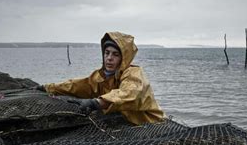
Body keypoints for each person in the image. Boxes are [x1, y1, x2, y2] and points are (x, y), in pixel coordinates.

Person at [36, 31, 164, 125]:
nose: (109, 58)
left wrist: (96, 102)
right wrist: (48, 87)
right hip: (126, 122)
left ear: (123, 58)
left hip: (150, 124)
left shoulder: (133, 73)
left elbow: (129, 93)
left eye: (115, 54)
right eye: (107, 53)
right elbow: (77, 85)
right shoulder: (101, 76)